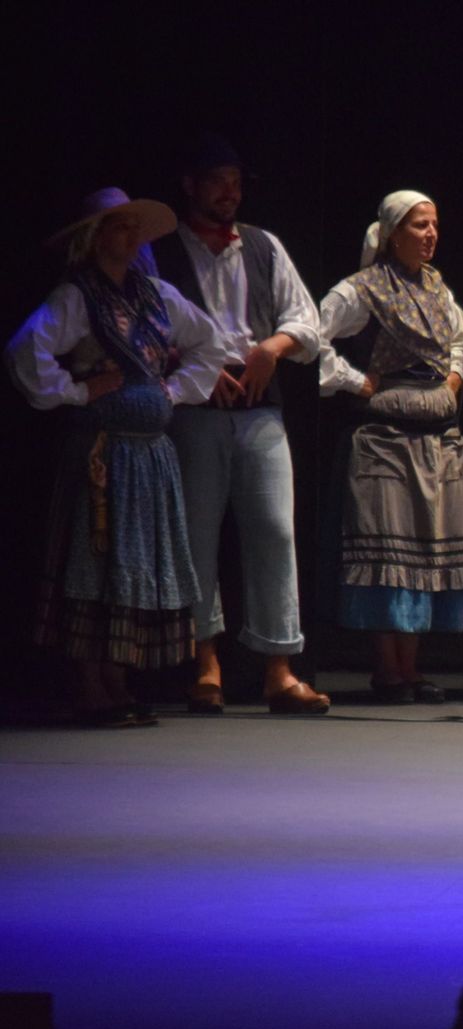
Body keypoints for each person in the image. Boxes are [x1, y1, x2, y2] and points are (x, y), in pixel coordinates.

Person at [7, 189, 228, 725]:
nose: (130, 238)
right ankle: (92, 686)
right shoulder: (77, 296)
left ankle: (120, 680)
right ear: (95, 236)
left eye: (135, 228)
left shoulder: (155, 294)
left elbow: (210, 344)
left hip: (150, 457)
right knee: (96, 562)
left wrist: (168, 392)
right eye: (118, 227)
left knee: (135, 564)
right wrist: (81, 392)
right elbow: (25, 351)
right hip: (104, 456)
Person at [150, 134, 329, 715]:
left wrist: (270, 349)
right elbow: (145, 330)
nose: (229, 191)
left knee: (275, 531)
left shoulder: (262, 245)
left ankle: (279, 666)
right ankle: (206, 663)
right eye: (216, 180)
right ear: (189, 186)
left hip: (260, 410)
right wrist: (198, 368)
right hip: (197, 411)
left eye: (235, 180)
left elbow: (307, 321)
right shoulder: (160, 250)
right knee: (198, 535)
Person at [320, 191, 463, 704]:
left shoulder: (437, 287)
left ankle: (410, 669)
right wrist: (353, 380)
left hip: (436, 436)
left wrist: (454, 382)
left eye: (434, 224)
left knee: (424, 552)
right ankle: (387, 669)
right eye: (418, 225)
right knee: (390, 550)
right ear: (393, 233)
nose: (430, 234)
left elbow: (461, 339)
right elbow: (313, 335)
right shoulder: (364, 289)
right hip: (386, 440)